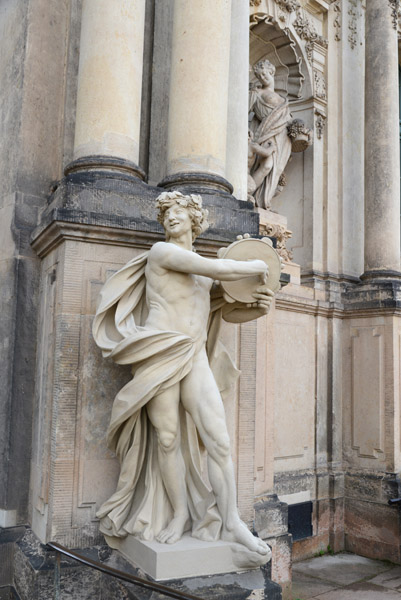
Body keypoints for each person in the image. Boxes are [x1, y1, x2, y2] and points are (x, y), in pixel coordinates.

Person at [93, 191, 274, 561]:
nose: (171, 219)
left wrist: (259, 304)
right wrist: (259, 264)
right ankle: (177, 514)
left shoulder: (200, 274)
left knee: (219, 441)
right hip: (159, 350)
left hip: (192, 355)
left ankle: (232, 522)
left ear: (194, 219)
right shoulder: (164, 253)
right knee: (168, 438)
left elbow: (229, 309)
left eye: (178, 213)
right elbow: (221, 270)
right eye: (166, 215)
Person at [249, 58, 292, 209]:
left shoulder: (282, 99)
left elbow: (286, 119)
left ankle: (264, 202)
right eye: (259, 76)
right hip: (266, 134)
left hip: (282, 137)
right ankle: (249, 195)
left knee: (276, 170)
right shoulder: (256, 92)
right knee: (267, 165)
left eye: (265, 74)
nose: (262, 78)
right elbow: (243, 112)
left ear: (272, 72)